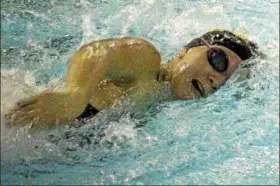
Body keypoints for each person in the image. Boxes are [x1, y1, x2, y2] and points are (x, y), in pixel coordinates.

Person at [5, 29, 258, 129]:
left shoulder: (157, 106)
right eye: (218, 60)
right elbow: (98, 52)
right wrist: (75, 96)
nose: (216, 78)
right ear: (184, 53)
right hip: (15, 114)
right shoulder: (147, 61)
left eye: (227, 79)